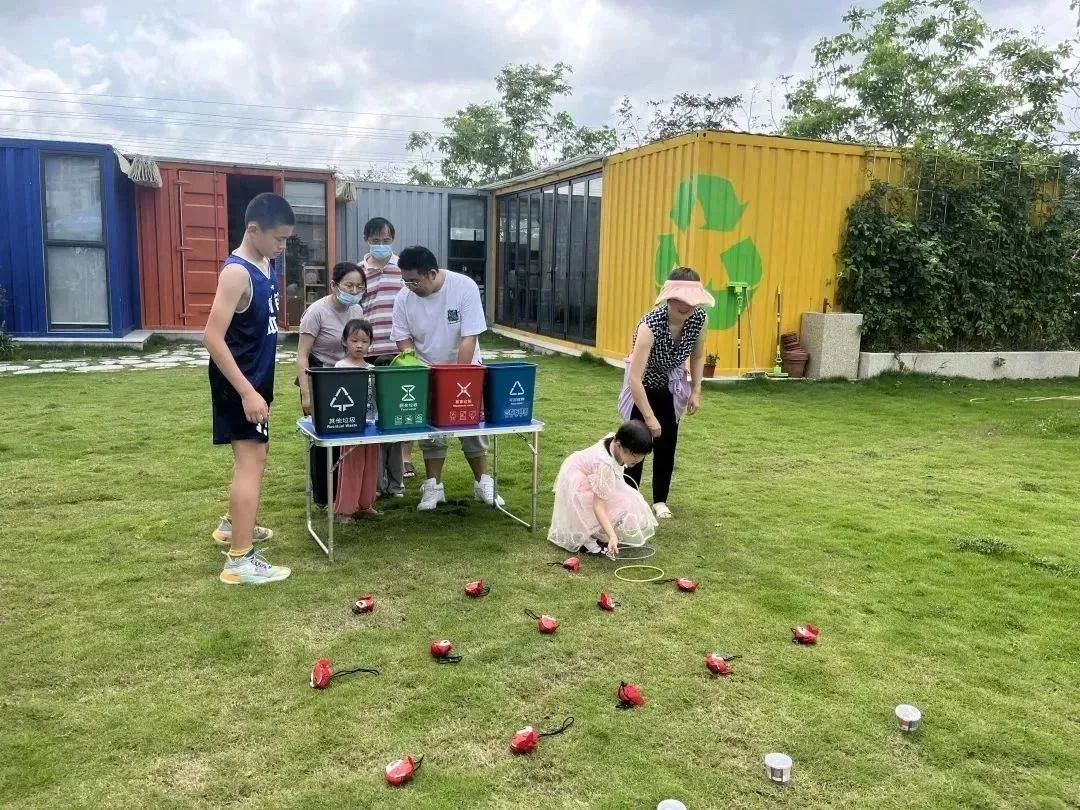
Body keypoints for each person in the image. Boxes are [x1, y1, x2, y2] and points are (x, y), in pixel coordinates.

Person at [204, 192, 294, 586]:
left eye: (286, 239)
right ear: (253, 230)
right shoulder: (236, 273)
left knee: (257, 456)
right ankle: (239, 560)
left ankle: (233, 525)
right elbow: (212, 337)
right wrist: (246, 392)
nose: (283, 246)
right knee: (251, 461)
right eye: (279, 238)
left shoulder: (265, 261)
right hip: (239, 383)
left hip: (257, 378)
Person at [390, 245, 502, 512]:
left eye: (414, 281)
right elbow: (403, 339)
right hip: (427, 371)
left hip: (465, 371)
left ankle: (482, 482)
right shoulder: (404, 298)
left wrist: (457, 379)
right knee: (432, 433)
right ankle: (433, 486)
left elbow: (469, 337)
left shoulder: (463, 287)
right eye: (405, 281)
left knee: (471, 429)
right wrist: (416, 369)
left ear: (432, 273)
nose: (410, 286)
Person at [619, 267, 713, 521]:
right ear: (669, 297)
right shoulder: (649, 326)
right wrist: (649, 418)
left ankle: (660, 500)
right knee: (636, 444)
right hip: (642, 387)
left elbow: (698, 355)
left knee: (667, 445)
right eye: (680, 299)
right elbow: (635, 379)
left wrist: (696, 390)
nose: (685, 306)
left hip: (670, 387)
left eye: (691, 300)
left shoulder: (699, 319)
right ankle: (629, 500)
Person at [296, 262, 372, 506]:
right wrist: (306, 394)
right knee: (322, 439)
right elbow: (302, 355)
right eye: (349, 285)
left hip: (348, 377)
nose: (354, 290)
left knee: (348, 435)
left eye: (359, 286)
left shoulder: (357, 310)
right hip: (320, 378)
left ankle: (346, 493)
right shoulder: (316, 312)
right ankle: (323, 496)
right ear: (334, 285)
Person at [548, 421, 658, 558]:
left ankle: (598, 533)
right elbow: (598, 505)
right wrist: (612, 535)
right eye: (634, 457)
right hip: (577, 479)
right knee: (596, 505)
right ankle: (587, 540)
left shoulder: (617, 442)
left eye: (641, 458)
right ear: (619, 445)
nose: (637, 461)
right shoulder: (604, 464)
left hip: (591, 474)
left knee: (626, 500)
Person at [358, 216, 413, 484]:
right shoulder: (358, 272)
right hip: (367, 349)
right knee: (372, 409)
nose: (381, 244)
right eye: (376, 240)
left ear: (393, 240)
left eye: (386, 240)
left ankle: (404, 459)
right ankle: (376, 462)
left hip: (399, 349)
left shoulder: (403, 268)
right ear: (366, 240)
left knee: (403, 405)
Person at [332, 319, 382, 521]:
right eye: (354, 340)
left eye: (364, 341)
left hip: (371, 423)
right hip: (350, 424)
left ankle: (365, 504)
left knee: (371, 464)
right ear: (345, 341)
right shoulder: (340, 366)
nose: (359, 345)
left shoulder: (371, 368)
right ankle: (345, 510)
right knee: (352, 464)